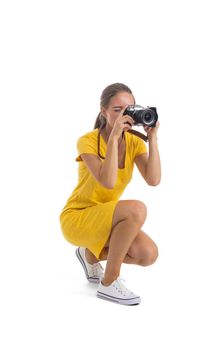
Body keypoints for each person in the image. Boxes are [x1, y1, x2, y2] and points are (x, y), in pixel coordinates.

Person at [59, 82, 161, 305]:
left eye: (130, 109)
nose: (125, 115)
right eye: (118, 110)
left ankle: (89, 254)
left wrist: (152, 139)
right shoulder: (87, 141)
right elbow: (108, 181)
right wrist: (114, 138)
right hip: (78, 217)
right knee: (136, 209)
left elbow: (154, 180)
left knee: (148, 253)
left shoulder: (134, 142)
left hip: (107, 219)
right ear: (103, 111)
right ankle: (109, 282)